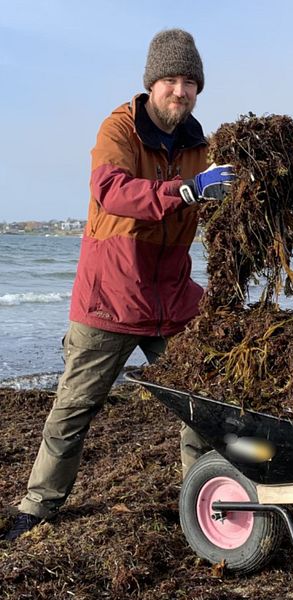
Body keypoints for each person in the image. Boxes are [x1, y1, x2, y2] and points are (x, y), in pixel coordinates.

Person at [4, 28, 234, 541]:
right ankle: (38, 505)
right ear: (151, 84)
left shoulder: (203, 146)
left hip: (172, 300)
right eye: (170, 80)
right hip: (108, 298)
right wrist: (188, 190)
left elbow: (221, 203)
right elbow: (112, 192)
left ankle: (199, 498)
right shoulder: (119, 129)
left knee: (201, 402)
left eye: (190, 82)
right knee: (73, 408)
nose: (180, 91)